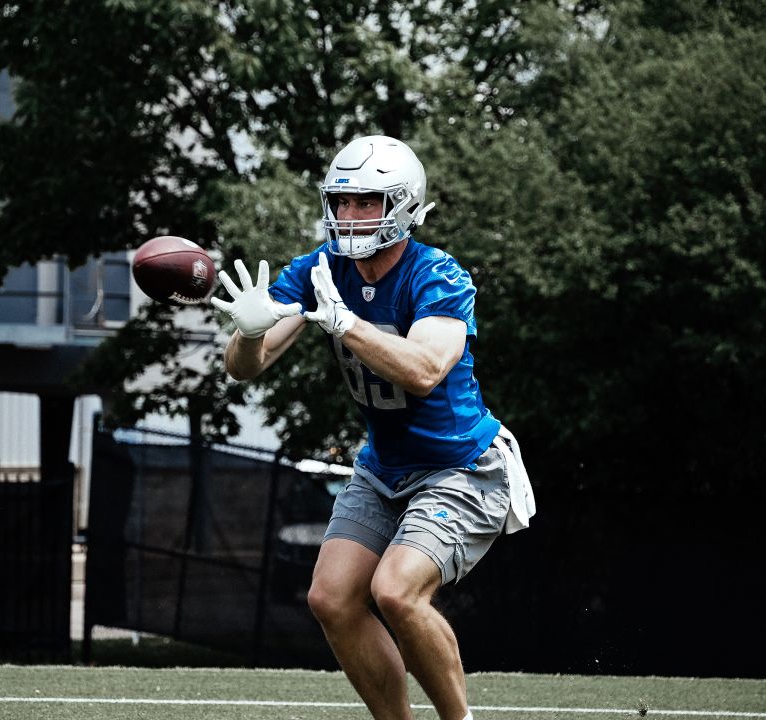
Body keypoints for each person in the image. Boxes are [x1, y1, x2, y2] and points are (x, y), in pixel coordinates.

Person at [211, 135, 534, 720]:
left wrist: (347, 325)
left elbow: (426, 370)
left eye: (368, 202)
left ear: (405, 206)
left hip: (461, 467)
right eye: (343, 202)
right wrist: (250, 330)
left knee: (395, 592)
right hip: (385, 467)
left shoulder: (437, 274)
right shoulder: (319, 267)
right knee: (331, 599)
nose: (351, 216)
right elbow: (244, 370)